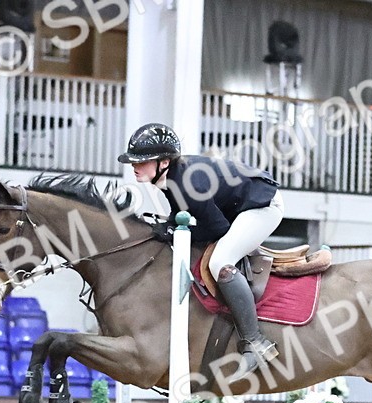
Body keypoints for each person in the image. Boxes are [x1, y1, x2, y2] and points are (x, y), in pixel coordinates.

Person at [118, 122, 283, 382]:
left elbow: (217, 228)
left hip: (262, 207)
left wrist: (175, 232)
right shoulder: (170, 178)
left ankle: (256, 342)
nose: (134, 166)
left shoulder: (184, 180)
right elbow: (180, 212)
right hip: (239, 206)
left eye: (142, 161)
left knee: (220, 262)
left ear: (163, 161)